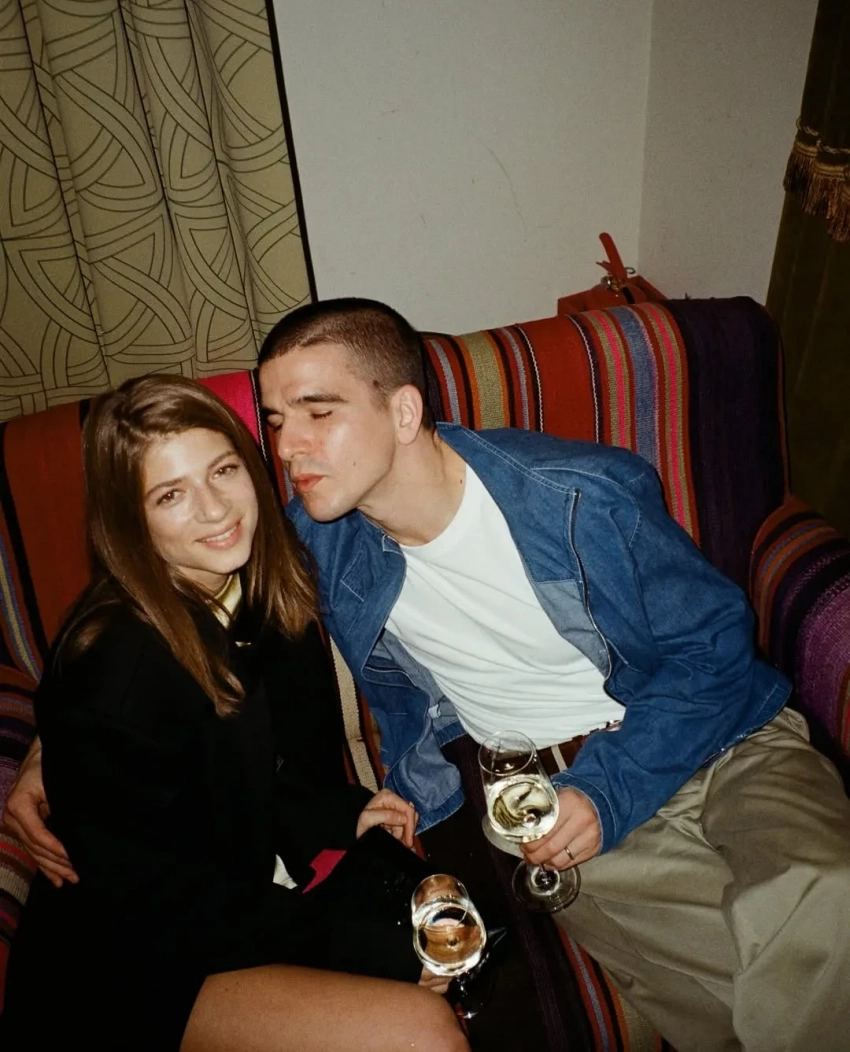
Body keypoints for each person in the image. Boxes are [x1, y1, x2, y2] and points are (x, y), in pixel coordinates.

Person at [7, 300, 850, 1049]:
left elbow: (714, 647)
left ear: (404, 410)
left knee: (828, 891)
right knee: (728, 986)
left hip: (724, 738)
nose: (286, 449)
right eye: (276, 421)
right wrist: (58, 747)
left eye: (319, 412)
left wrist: (613, 786)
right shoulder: (313, 539)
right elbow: (146, 609)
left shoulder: (580, 497)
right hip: (549, 797)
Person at [0, 374, 468, 1052]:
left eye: (222, 470)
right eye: (170, 494)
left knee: (452, 923)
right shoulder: (114, 670)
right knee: (422, 1031)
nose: (216, 509)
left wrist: (345, 815)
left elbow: (276, 773)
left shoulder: (261, 588)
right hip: (131, 962)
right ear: (129, 520)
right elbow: (163, 904)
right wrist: (378, 954)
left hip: (234, 893)